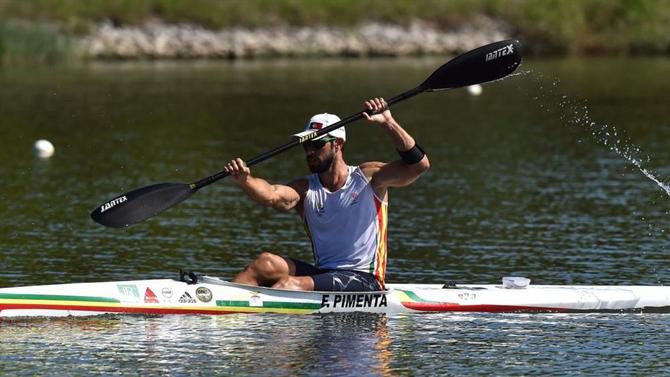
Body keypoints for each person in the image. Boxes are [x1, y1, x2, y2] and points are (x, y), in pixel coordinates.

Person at [224, 97, 430, 292]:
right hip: (325, 275)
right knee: (264, 263)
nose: (310, 152)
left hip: (365, 280)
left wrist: (388, 122)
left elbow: (418, 166)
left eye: (317, 144)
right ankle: (222, 306)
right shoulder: (304, 190)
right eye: (306, 145)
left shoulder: (368, 178)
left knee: (290, 285)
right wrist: (245, 180)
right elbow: (270, 194)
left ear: (338, 144)